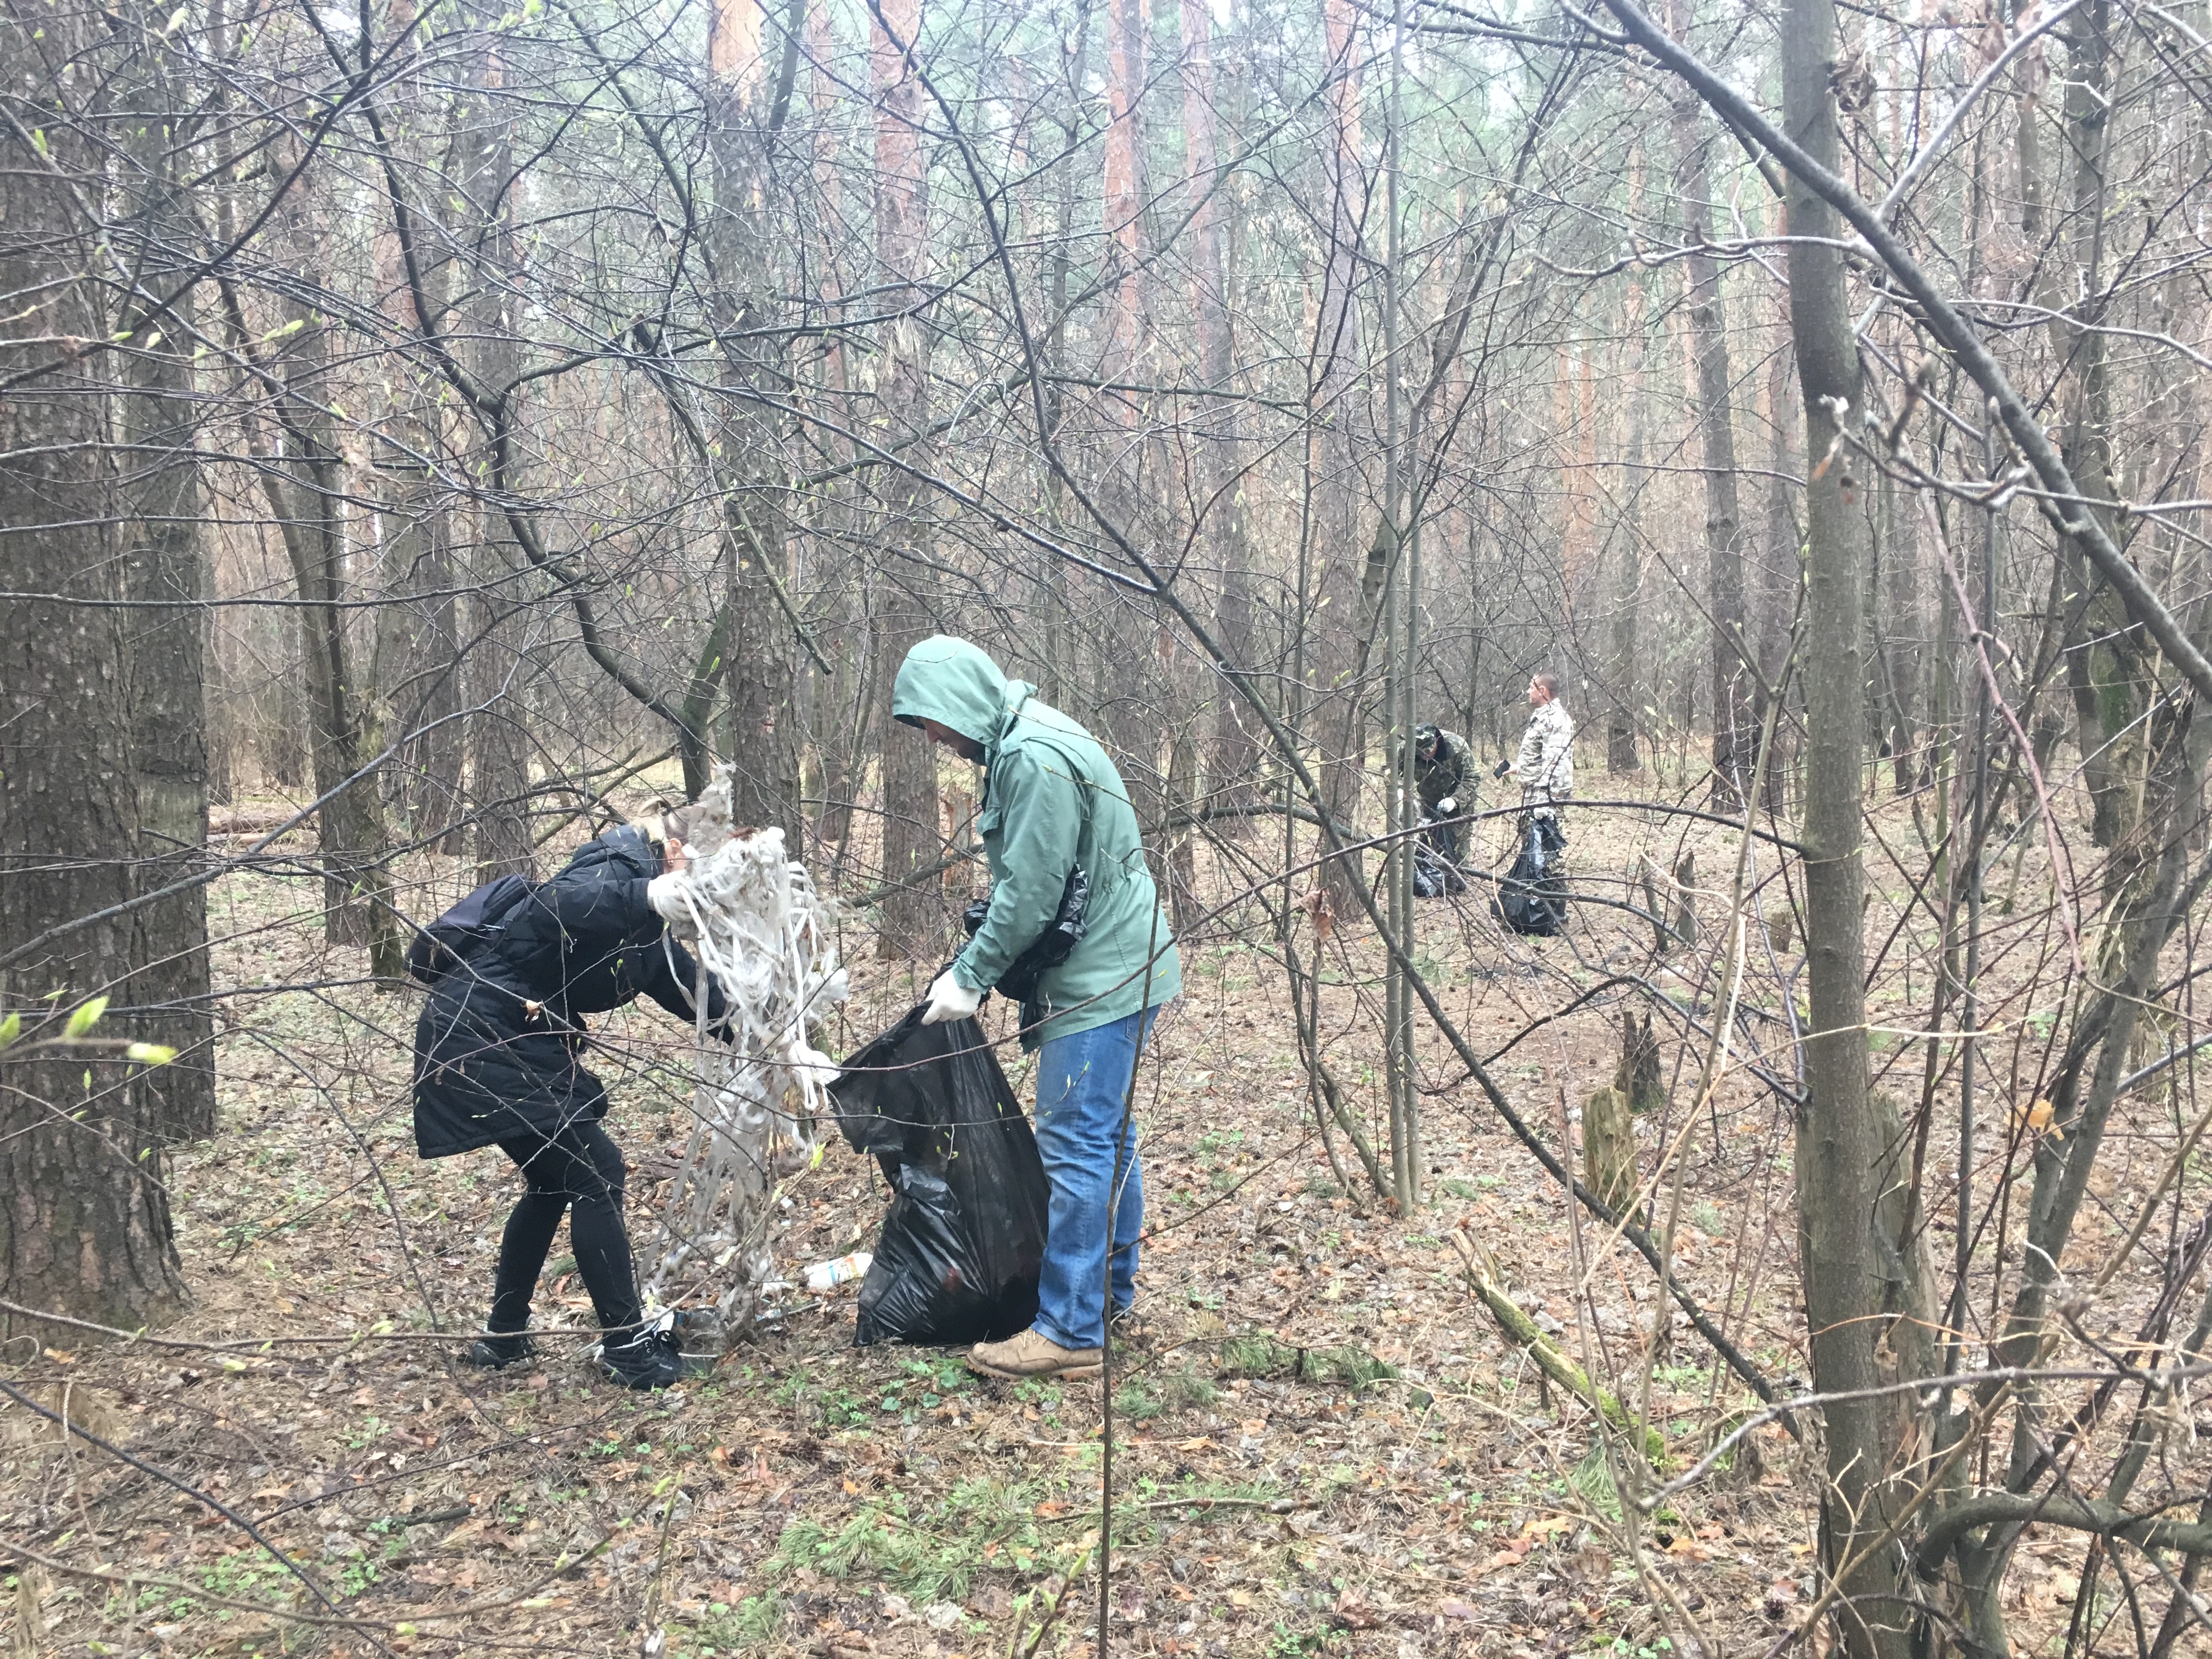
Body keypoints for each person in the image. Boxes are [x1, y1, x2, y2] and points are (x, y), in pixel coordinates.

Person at [892, 636, 1181, 1383]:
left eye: (931, 719)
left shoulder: (1031, 756)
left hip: (1103, 978)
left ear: (960, 699)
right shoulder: (1030, 735)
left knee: (1079, 1144)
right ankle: (1104, 1298)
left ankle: (1071, 1331)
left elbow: (1032, 894)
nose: (932, 737)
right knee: (1108, 1139)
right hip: (1122, 963)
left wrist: (969, 975)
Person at [411, 808, 727, 1390]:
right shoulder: (612, 868)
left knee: (556, 1182)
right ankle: (628, 1349)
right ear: (675, 851)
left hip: (508, 1041)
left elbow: (700, 998)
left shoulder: (646, 934)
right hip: (480, 1035)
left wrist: (779, 1036)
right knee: (596, 1173)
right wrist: (651, 891)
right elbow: (558, 906)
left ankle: (504, 1336)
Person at [1504, 670, 1575, 826]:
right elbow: (1541, 758)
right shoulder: (1542, 717)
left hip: (1545, 802)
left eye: (1531, 687)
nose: (1528, 691)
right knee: (1530, 848)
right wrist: (1521, 768)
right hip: (1533, 796)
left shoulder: (1555, 719)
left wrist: (1543, 804)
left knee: (1543, 849)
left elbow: (1556, 764)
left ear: (1543, 691)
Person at [1413, 723, 1476, 868]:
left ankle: (1458, 883)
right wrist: (1399, 790)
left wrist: (1455, 801)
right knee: (1426, 841)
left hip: (1457, 801)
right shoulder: (1406, 749)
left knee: (1457, 847)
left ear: (1437, 742)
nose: (1426, 756)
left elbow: (1471, 778)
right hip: (1427, 800)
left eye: (1429, 751)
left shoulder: (1456, 747)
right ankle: (1430, 878)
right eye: (1421, 753)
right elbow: (1392, 770)